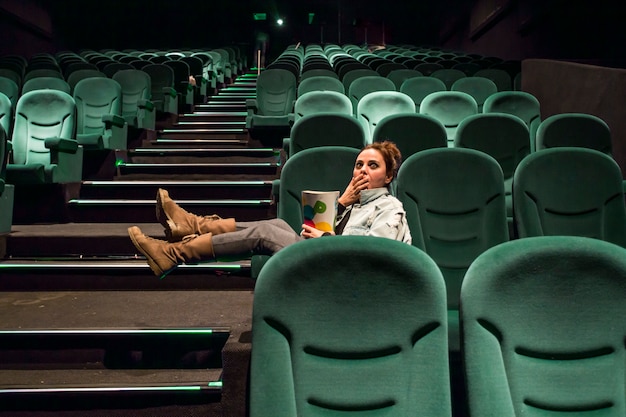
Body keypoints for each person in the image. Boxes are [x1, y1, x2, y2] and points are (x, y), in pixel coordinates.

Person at [128, 141, 412, 278]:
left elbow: (374, 258)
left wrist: (326, 239)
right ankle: (190, 227)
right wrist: (340, 204)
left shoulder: (390, 208)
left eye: (372, 166)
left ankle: (175, 252)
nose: (362, 170)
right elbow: (318, 232)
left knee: (265, 232)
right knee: (278, 226)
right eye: (359, 164)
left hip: (349, 279)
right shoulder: (355, 202)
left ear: (388, 177)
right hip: (331, 264)